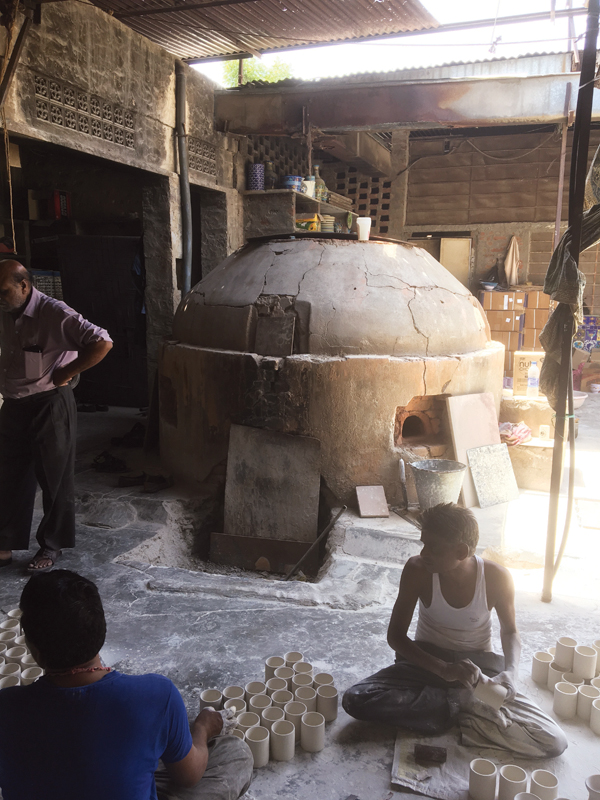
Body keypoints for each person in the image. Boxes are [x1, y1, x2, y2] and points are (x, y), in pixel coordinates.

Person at [0, 569, 254, 800]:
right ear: (101, 630)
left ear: (33, 646)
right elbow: (189, 776)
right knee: (232, 753)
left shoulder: (6, 708)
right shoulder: (154, 696)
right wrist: (203, 728)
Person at [343, 503, 567, 758]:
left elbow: (511, 632)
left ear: (461, 551)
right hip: (425, 663)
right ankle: (463, 706)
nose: (424, 552)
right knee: (356, 698)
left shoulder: (496, 577)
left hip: (477, 669)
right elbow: (396, 637)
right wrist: (444, 669)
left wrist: (511, 672)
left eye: (433, 547)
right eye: (423, 543)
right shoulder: (417, 570)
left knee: (553, 741)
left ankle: (448, 706)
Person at [0, 259, 113, 572]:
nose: (0, 297)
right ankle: (5, 543)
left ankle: (51, 546)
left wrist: (68, 372)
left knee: (53, 477)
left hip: (49, 404)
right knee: (9, 476)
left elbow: (102, 341)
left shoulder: (54, 312)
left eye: (3, 291)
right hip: (14, 403)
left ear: (24, 286)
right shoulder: (8, 312)